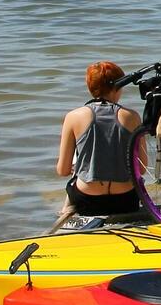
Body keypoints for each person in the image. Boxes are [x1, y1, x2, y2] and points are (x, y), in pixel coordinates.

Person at [57, 60, 142, 217]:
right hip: (125, 198)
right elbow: (141, 168)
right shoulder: (132, 117)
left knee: (76, 176)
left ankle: (65, 217)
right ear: (118, 87)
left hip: (87, 198)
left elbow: (62, 170)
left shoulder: (73, 116)